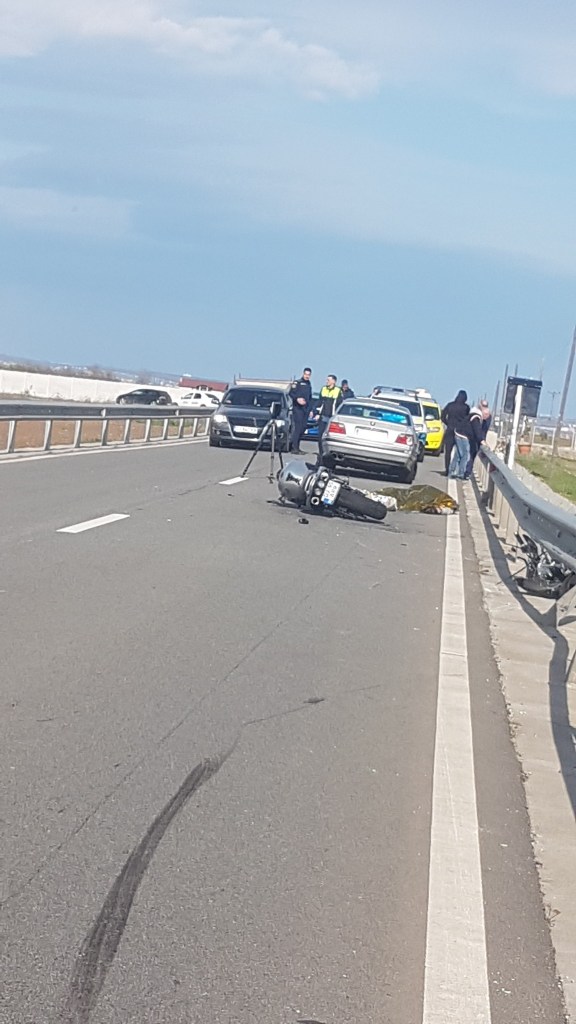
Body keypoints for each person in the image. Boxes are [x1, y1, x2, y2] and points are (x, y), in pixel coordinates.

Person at [450, 405, 484, 480]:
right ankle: (461, 473)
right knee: (465, 455)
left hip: (457, 433)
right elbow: (477, 430)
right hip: (464, 436)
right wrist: (481, 440)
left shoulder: (469, 416)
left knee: (458, 454)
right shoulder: (475, 418)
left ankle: (453, 471)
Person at [441, 390, 470, 475]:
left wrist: (448, 423)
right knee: (459, 452)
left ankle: (447, 469)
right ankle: (457, 470)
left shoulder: (450, 405)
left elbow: (442, 416)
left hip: (450, 430)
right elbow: (467, 420)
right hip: (460, 432)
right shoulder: (466, 407)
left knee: (448, 451)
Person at [315, 374, 341, 458]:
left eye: (328, 380)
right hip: (323, 416)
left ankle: (328, 454)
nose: (327, 381)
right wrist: (316, 412)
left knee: (329, 437)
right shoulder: (323, 389)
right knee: (320, 436)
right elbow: (319, 402)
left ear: (333, 381)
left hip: (332, 418)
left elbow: (339, 405)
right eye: (327, 380)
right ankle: (321, 453)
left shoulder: (338, 391)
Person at [465, 399, 492, 478]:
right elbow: (477, 429)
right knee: (468, 455)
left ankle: (466, 472)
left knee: (470, 455)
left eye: (485, 406)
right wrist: (482, 440)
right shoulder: (476, 415)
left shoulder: (487, 416)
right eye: (483, 406)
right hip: (471, 437)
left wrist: (482, 440)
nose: (484, 407)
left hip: (477, 438)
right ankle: (466, 472)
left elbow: (484, 430)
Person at [289, 367, 312, 454]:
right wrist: (297, 399)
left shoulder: (309, 384)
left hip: (306, 409)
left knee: (303, 428)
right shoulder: (297, 382)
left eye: (308, 375)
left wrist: (311, 410)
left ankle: (297, 446)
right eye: (306, 374)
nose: (307, 376)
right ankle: (294, 448)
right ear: (303, 374)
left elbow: (309, 397)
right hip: (298, 408)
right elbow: (291, 393)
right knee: (298, 428)